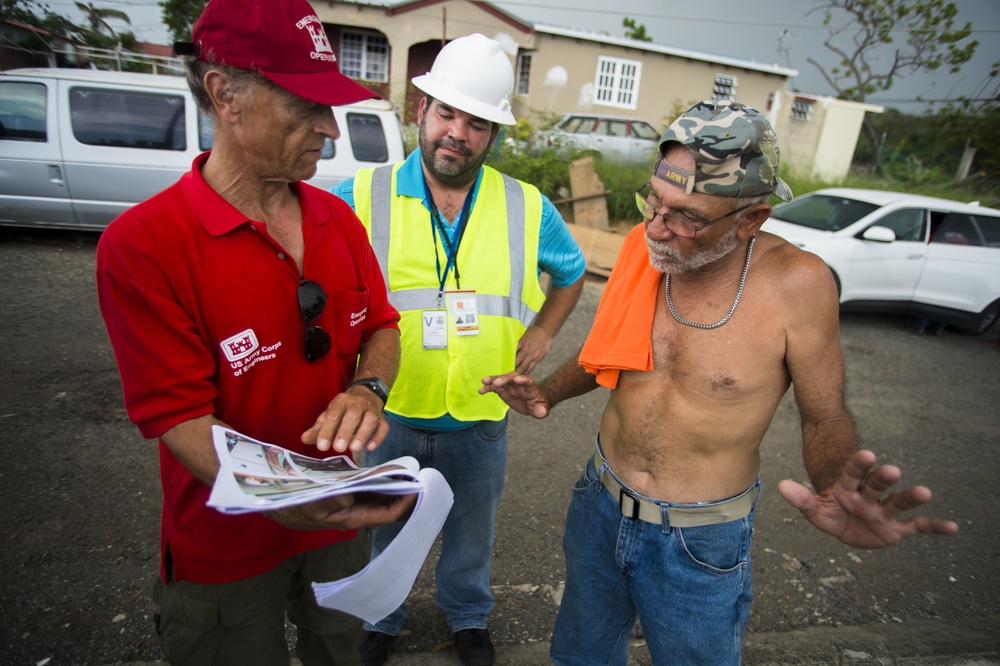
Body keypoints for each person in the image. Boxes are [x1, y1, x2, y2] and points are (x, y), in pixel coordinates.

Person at [481, 100, 960, 665]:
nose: (657, 227)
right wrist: (548, 393)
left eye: (685, 216)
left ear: (751, 219)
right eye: (652, 202)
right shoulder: (649, 248)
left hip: (699, 539)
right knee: (579, 656)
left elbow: (825, 416)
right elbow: (607, 351)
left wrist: (836, 481)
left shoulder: (798, 285)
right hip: (599, 505)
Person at [95, 0, 417, 663]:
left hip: (335, 523)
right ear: (226, 96)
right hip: (226, 542)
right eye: (307, 105)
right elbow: (179, 417)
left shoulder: (337, 220)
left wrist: (367, 390)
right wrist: (280, 501)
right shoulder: (144, 246)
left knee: (341, 650)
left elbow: (383, 327)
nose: (330, 128)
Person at [331, 33, 586, 666]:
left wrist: (546, 329)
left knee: (472, 534)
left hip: (480, 412)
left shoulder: (526, 206)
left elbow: (573, 269)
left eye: (477, 122)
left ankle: (468, 617)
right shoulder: (360, 196)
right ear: (421, 109)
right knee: (383, 522)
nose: (457, 133)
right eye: (447, 113)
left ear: (493, 135)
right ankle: (380, 616)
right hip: (389, 411)